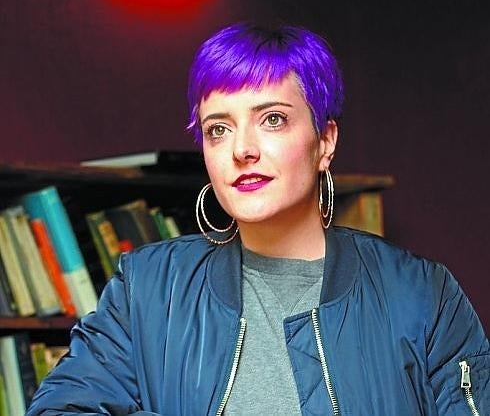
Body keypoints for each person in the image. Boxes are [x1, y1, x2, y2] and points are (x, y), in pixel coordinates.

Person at [27, 23, 488, 416]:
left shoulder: (424, 295)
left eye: (272, 119)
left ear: (325, 141)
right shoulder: (146, 289)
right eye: (218, 129)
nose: (242, 149)